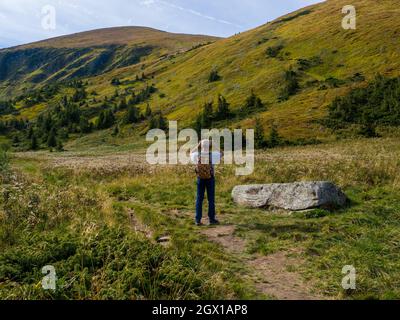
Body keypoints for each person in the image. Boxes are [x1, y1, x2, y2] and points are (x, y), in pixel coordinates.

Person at [190, 139, 223, 226]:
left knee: (199, 199)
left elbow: (190, 152)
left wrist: (198, 145)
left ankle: (197, 220)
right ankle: (211, 219)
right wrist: (214, 145)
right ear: (210, 146)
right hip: (210, 178)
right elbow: (222, 153)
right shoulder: (213, 155)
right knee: (211, 199)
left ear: (201, 145)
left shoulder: (196, 155)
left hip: (200, 179)